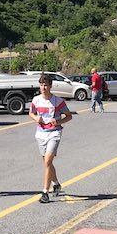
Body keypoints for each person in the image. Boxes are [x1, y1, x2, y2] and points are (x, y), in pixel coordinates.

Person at [29, 73, 73, 203]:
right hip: (40, 134)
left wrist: (57, 122)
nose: (43, 88)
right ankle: (56, 184)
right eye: (41, 85)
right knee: (47, 163)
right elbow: (31, 113)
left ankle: (45, 192)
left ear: (50, 86)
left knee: (48, 162)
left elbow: (69, 116)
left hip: (54, 133)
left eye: (46, 85)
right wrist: (36, 117)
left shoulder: (58, 101)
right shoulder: (36, 100)